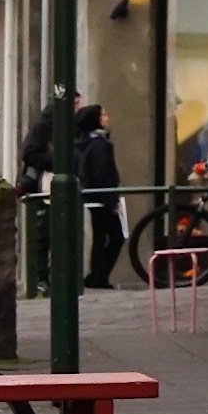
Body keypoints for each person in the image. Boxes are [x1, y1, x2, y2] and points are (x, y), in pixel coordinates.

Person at [76, 99, 124, 286]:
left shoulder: (88, 142)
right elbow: (102, 173)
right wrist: (112, 202)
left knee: (101, 237)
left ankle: (97, 275)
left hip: (94, 197)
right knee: (114, 237)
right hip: (102, 198)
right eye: (103, 115)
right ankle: (99, 276)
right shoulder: (98, 144)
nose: (107, 118)